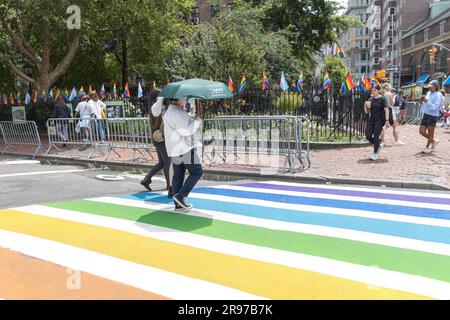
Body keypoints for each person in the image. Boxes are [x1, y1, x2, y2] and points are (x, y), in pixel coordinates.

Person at [164, 98, 203, 211]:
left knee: (178, 175)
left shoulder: (170, 111)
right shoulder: (178, 112)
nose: (185, 99)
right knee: (197, 172)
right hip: (184, 147)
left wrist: (190, 119)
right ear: (179, 97)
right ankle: (180, 196)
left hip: (174, 148)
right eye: (184, 97)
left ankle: (178, 204)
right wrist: (196, 122)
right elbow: (185, 131)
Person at [140, 89, 173, 198]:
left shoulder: (153, 107)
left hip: (157, 138)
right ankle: (170, 186)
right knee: (168, 163)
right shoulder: (157, 108)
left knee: (162, 163)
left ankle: (146, 179)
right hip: (160, 138)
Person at [364, 84, 389, 161]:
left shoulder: (382, 99)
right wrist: (365, 105)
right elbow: (367, 111)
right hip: (372, 119)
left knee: (376, 135)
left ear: (378, 90)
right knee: (367, 135)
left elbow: (386, 110)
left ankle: (375, 153)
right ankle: (378, 143)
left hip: (380, 120)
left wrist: (387, 120)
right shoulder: (371, 99)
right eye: (372, 90)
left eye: (374, 90)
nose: (373, 92)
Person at [418, 80, 444, 153]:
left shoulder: (438, 95)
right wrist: (421, 101)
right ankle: (433, 141)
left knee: (430, 132)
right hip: (426, 114)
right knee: (421, 131)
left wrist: (427, 101)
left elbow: (435, 107)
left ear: (435, 87)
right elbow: (425, 103)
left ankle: (427, 147)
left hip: (432, 115)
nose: (429, 88)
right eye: (428, 87)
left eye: (430, 87)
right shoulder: (429, 92)